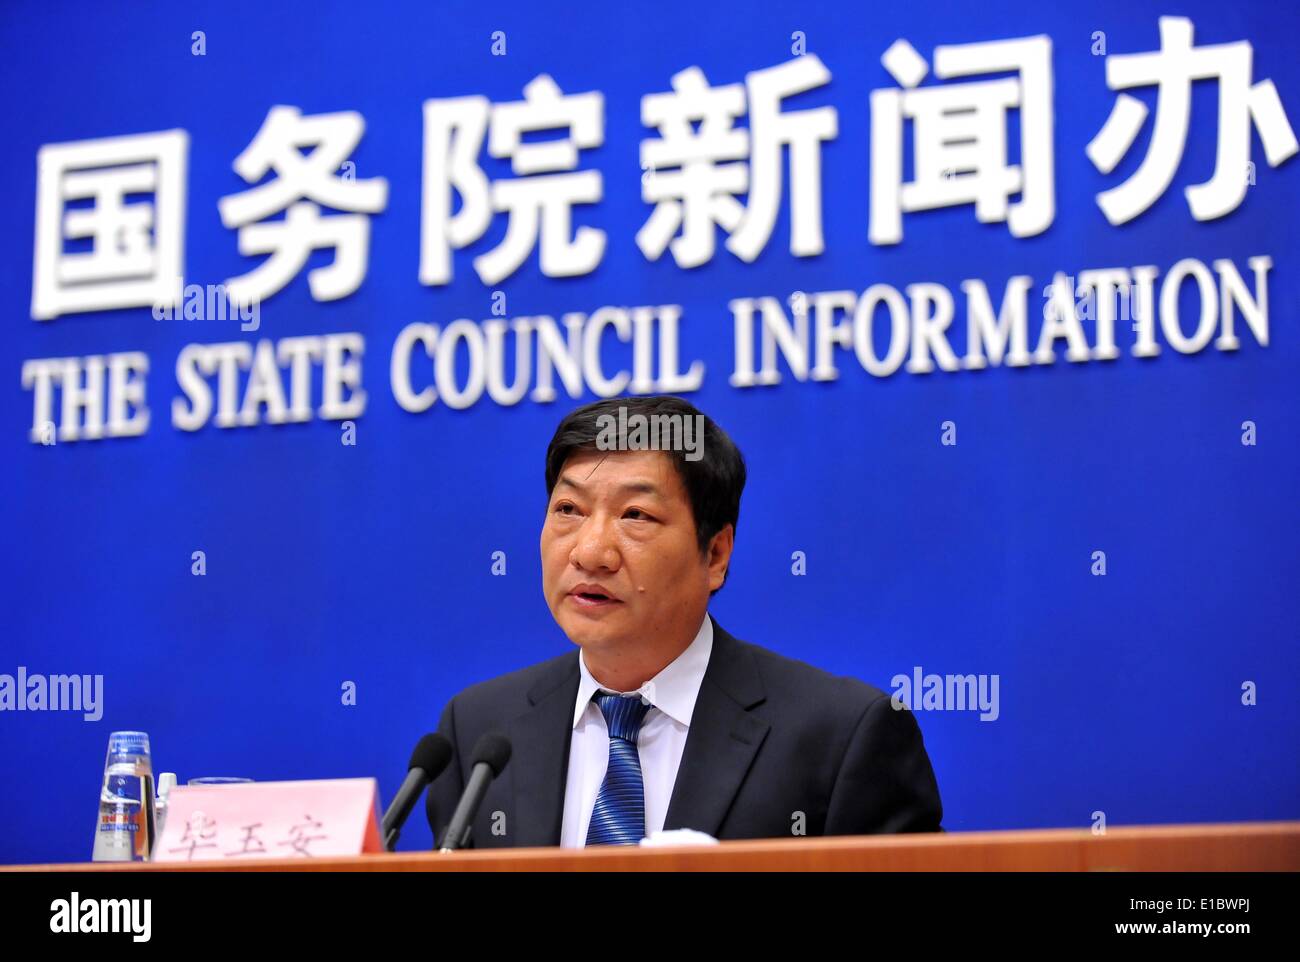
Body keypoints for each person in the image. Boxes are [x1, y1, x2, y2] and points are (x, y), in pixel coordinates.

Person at [426, 395, 942, 848]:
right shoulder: (477, 729)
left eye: (635, 516)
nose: (590, 552)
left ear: (715, 554)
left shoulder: (841, 736)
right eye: (568, 509)